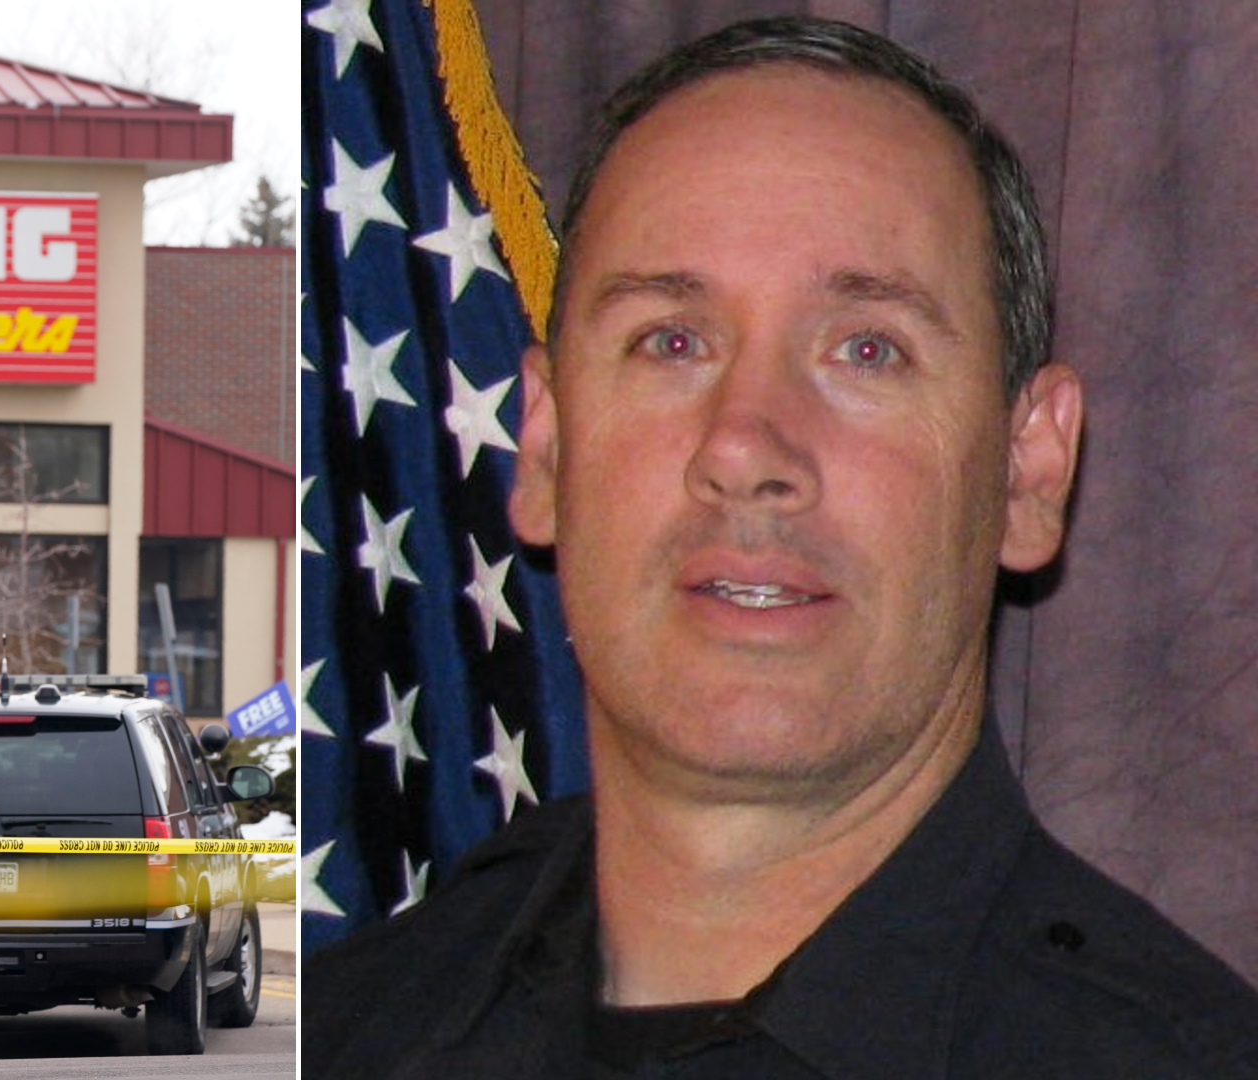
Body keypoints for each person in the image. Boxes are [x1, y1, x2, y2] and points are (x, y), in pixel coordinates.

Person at [304, 15, 1258, 1079]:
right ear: (544, 447)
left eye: (866, 350)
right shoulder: (344, 1035)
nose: (746, 448)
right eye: (671, 340)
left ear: (1028, 473)